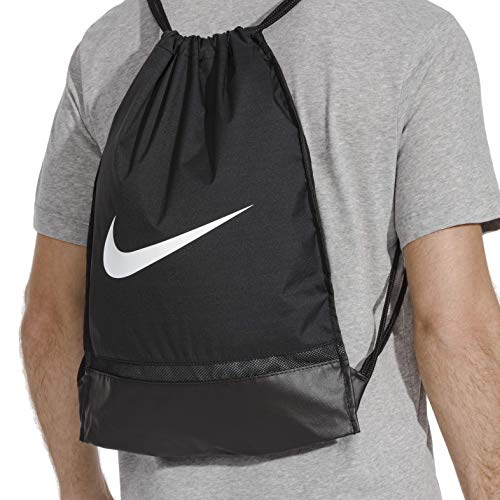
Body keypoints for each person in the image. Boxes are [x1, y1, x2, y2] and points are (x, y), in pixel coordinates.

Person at [22, 0, 500, 498]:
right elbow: (455, 325)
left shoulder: (106, 46)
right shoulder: (413, 35)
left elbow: (48, 317)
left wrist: (82, 491)